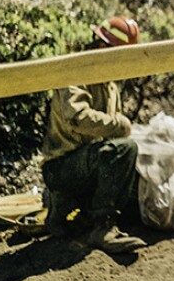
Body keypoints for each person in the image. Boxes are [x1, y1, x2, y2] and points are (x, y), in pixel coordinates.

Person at [41, 16, 147, 254]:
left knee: (134, 204)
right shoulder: (75, 71)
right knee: (125, 149)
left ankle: (66, 205)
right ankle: (101, 227)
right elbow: (77, 117)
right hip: (62, 167)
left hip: (88, 166)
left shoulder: (110, 87)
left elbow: (110, 140)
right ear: (102, 47)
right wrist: (120, 126)